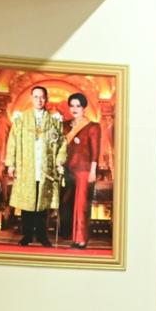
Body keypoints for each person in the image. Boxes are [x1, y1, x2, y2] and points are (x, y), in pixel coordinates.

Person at [4, 85, 64, 247]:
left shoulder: (54, 121)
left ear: (47, 99)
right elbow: (12, 141)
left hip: (45, 168)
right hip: (27, 167)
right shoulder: (21, 119)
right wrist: (11, 164)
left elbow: (61, 143)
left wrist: (59, 161)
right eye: (36, 97)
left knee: (43, 203)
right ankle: (27, 235)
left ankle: (43, 236)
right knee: (28, 202)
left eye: (42, 97)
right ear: (31, 98)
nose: (39, 100)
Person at [62, 91, 101, 248]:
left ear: (84, 108)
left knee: (81, 205)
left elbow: (95, 151)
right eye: (72, 105)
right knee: (67, 204)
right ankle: (73, 237)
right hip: (67, 170)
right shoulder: (65, 126)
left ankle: (81, 239)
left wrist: (93, 171)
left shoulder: (93, 127)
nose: (75, 109)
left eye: (78, 106)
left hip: (84, 170)